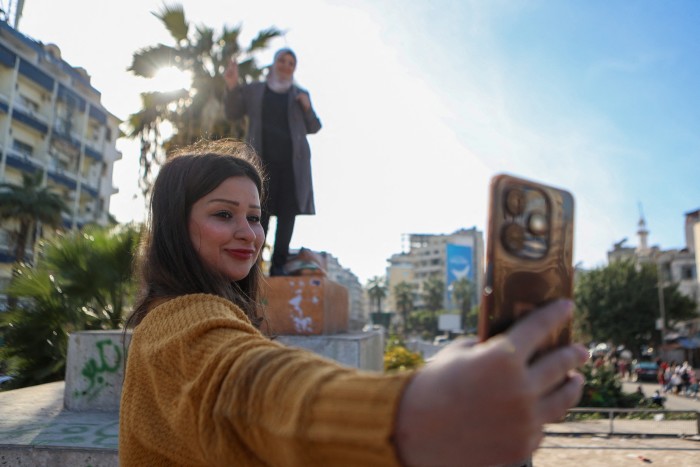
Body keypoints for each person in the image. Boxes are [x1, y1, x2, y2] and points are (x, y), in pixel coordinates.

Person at [119, 140, 588, 466]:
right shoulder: (178, 325)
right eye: (224, 215)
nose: (249, 233)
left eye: (256, 217)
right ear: (177, 227)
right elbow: (247, 391)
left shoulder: (206, 312)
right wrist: (416, 414)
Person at [223, 47, 321, 276]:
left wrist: (307, 107)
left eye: (291, 63)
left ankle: (278, 268)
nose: (286, 66)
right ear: (274, 63)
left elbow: (314, 126)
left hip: (292, 167)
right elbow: (232, 112)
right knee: (258, 214)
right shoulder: (255, 90)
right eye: (282, 61)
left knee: (288, 216)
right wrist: (231, 85)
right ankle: (252, 269)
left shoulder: (299, 93)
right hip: (261, 164)